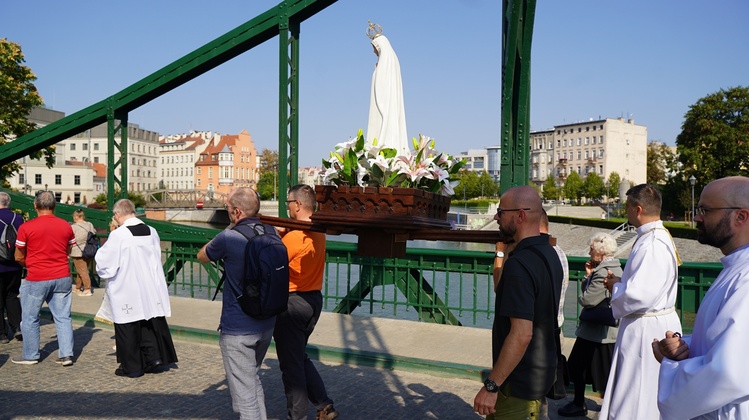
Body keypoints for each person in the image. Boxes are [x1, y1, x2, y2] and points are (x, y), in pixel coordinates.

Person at [652, 176, 749, 419]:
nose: (697, 217)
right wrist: (684, 347)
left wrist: (671, 369)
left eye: (705, 210)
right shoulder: (735, 268)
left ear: (741, 217)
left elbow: (728, 371)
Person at [473, 186, 563, 419]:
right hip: (539, 377)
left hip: (518, 386)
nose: (496, 217)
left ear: (520, 215)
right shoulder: (549, 254)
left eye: (501, 212)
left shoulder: (519, 265)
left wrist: (491, 386)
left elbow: (522, 334)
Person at [599, 183, 682, 419]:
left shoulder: (653, 243)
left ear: (637, 209)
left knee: (638, 394)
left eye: (626, 206)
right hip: (651, 323)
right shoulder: (654, 237)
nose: (624, 211)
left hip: (647, 330)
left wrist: (616, 286)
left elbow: (640, 294)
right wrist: (622, 282)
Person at [197, 187, 277, 419]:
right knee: (251, 381)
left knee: (244, 396)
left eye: (228, 210)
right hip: (266, 323)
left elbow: (202, 256)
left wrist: (229, 228)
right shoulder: (271, 232)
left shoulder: (228, 237)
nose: (228, 213)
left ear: (237, 212)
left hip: (238, 328)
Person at [274, 184, 338, 420]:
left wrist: (279, 234)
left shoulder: (295, 236)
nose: (287, 208)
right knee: (299, 356)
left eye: (288, 203)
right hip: (313, 300)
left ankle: (298, 417)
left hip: (292, 303)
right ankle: (324, 405)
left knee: (291, 369)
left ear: (298, 205)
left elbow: (272, 261)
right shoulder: (318, 230)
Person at [95, 199, 177, 378]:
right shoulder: (151, 231)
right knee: (147, 320)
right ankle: (153, 358)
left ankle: (132, 367)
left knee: (128, 325)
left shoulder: (119, 235)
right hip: (149, 284)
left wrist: (109, 238)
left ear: (117, 215)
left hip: (128, 285)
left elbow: (105, 263)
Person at [558, 232, 622, 417]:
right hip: (606, 332)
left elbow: (587, 300)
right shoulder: (616, 268)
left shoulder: (603, 271)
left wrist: (587, 281)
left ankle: (580, 404)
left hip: (594, 332)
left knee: (580, 368)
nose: (589, 251)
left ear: (601, 251)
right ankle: (609, 406)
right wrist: (589, 277)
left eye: (592, 248)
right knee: (603, 372)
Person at [11, 190, 76, 366]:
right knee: (63, 316)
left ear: (35, 205)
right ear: (54, 205)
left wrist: (29, 263)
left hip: (37, 276)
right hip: (62, 275)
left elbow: (18, 256)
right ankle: (66, 355)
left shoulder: (26, 227)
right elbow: (68, 251)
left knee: (30, 317)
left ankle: (31, 355)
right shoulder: (66, 226)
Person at [365, 21, 408, 155]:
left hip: (385, 104)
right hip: (389, 103)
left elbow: (381, 87)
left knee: (383, 128)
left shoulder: (386, 62)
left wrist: (375, 72)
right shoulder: (391, 60)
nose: (373, 51)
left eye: (374, 47)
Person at [0, 192, 23, 344]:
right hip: (15, 264)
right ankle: (17, 327)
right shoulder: (19, 218)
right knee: (12, 296)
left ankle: (2, 333)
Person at [70, 209, 95, 296]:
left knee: (82, 271)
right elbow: (93, 234)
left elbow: (71, 239)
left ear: (76, 217)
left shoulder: (73, 227)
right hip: (89, 250)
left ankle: (87, 289)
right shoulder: (89, 224)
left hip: (77, 251)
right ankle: (78, 288)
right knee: (81, 270)